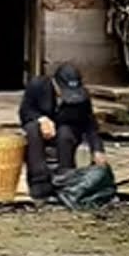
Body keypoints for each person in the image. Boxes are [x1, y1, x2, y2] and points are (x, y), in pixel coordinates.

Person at [20, 63, 107, 201]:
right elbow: (25, 111)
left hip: (66, 132)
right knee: (32, 129)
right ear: (55, 83)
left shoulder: (82, 96)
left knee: (65, 133)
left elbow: (90, 124)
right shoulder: (37, 86)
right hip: (42, 129)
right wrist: (41, 119)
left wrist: (97, 149)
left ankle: (66, 177)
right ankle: (39, 181)